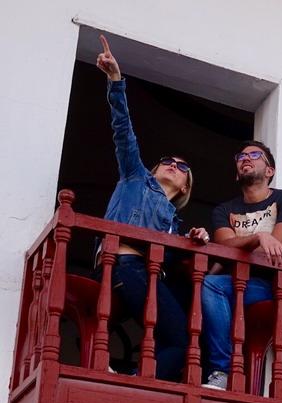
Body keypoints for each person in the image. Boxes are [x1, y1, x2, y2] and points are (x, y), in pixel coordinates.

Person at [95, 35, 208, 381]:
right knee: (180, 339)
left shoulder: (174, 221)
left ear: (186, 187)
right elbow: (123, 132)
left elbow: (168, 263)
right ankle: (137, 382)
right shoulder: (135, 177)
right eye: (167, 161)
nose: (173, 165)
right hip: (122, 265)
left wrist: (193, 239)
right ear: (154, 169)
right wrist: (116, 81)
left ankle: (136, 379)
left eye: (182, 166)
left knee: (181, 335)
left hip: (143, 274)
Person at [201, 141, 282, 390]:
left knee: (212, 286)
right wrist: (258, 237)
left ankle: (223, 371)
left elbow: (278, 247)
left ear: (270, 171)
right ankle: (220, 373)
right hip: (237, 283)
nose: (246, 158)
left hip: (278, 287)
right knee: (205, 286)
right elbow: (224, 246)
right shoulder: (224, 210)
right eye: (241, 157)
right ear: (237, 173)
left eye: (255, 155)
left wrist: (241, 246)